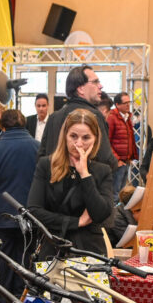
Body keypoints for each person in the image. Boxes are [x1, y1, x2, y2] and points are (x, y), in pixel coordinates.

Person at [28, 108, 114, 258]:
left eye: (86, 138)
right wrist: (76, 222)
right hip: (53, 249)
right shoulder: (46, 165)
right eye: (73, 136)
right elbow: (34, 211)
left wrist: (85, 174)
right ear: (65, 136)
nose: (78, 144)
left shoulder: (102, 170)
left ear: (95, 139)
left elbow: (101, 214)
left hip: (89, 251)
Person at [0, 109, 39, 303]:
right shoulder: (37, 146)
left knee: (3, 257)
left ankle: (4, 299)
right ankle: (21, 298)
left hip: (2, 211)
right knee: (25, 255)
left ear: (3, 126)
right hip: (30, 213)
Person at [37, 65, 118, 176]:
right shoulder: (94, 116)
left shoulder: (54, 117)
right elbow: (106, 159)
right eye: (95, 82)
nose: (100, 86)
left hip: (55, 182)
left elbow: (42, 156)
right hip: (86, 183)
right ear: (80, 89)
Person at [107, 91, 139, 198]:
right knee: (115, 194)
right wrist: (117, 159)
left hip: (125, 161)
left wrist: (131, 157)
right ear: (117, 104)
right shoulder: (112, 117)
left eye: (129, 102)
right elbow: (107, 141)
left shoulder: (127, 117)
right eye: (125, 103)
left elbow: (130, 139)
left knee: (121, 192)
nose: (128, 105)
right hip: (117, 162)